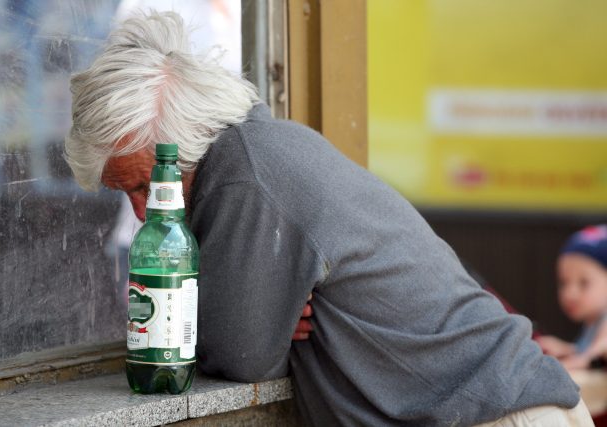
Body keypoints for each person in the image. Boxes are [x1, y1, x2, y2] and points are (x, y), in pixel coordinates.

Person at [64, 12, 593, 426]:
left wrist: (247, 314)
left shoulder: (245, 171)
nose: (139, 211)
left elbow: (243, 353)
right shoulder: (254, 150)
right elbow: (247, 331)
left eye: (143, 184)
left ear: (185, 142)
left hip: (500, 416)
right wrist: (256, 305)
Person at [537, 225, 607, 372]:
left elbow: (597, 354)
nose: (570, 293)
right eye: (563, 282)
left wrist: (554, 370)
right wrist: (569, 350)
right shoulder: (593, 323)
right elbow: (591, 354)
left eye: (584, 283)